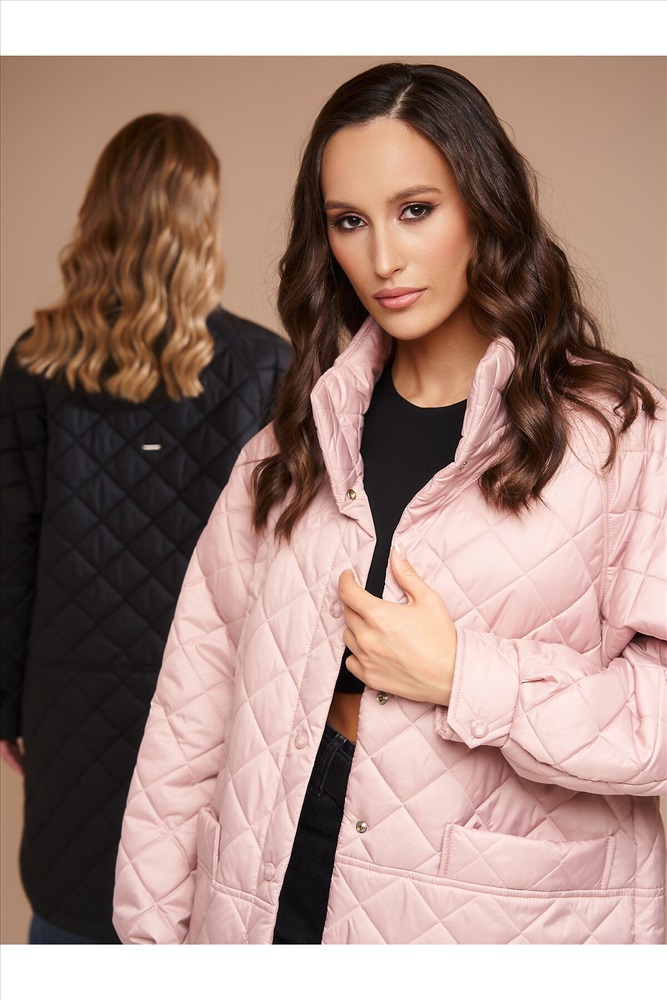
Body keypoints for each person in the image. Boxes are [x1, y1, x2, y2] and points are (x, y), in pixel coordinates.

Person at [113, 65, 666, 945]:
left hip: (500, 922)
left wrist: (463, 675)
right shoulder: (288, 449)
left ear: (484, 208)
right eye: (348, 221)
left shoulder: (617, 437)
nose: (382, 259)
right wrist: (148, 943)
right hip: (267, 879)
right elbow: (190, 718)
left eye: (415, 210)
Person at [0, 112, 291, 945]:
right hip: (213, 699)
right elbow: (284, 566)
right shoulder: (266, 366)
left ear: (100, 211)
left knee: (75, 912)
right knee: (203, 918)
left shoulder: (36, 361)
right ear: (204, 219)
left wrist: (7, 702)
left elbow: (10, 550)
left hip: (69, 693)